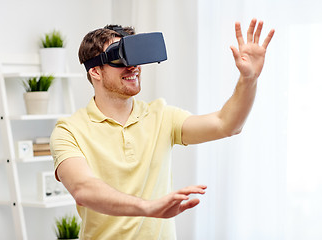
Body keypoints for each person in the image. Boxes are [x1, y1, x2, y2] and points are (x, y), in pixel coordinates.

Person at [50, 19, 274, 239]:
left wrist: (249, 79)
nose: (133, 66)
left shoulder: (161, 115)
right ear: (95, 71)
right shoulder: (69, 130)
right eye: (120, 56)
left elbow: (226, 124)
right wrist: (147, 207)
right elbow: (83, 188)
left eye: (136, 55)